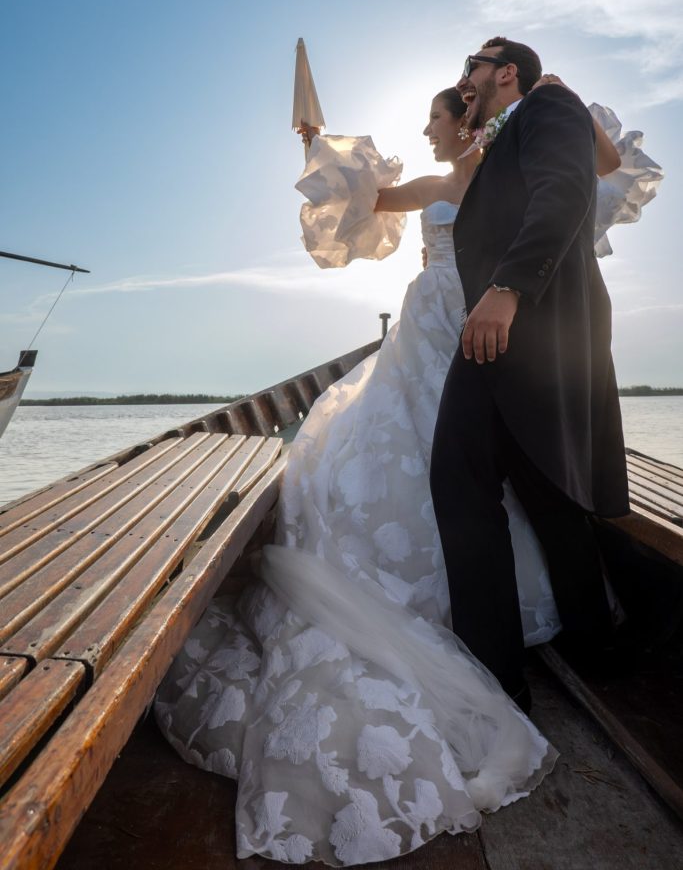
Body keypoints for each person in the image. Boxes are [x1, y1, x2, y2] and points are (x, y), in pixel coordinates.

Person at [155, 78, 657, 865]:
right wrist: (314, 145)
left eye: (433, 118)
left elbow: (577, 192)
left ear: (469, 119)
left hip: (486, 331)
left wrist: (556, 96)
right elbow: (371, 200)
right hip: (428, 330)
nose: (423, 131)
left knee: (491, 480)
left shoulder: (515, 162)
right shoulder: (439, 182)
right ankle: (487, 638)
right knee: (413, 464)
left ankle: (530, 637)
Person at [430, 37, 631, 711]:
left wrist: (507, 288)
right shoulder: (517, 124)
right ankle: (593, 645)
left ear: (506, 71)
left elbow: (568, 189)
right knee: (545, 487)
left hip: (515, 320)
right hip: (534, 327)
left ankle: (495, 677)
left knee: (459, 478)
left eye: (471, 67)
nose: (464, 80)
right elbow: (590, 167)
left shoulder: (546, 105)